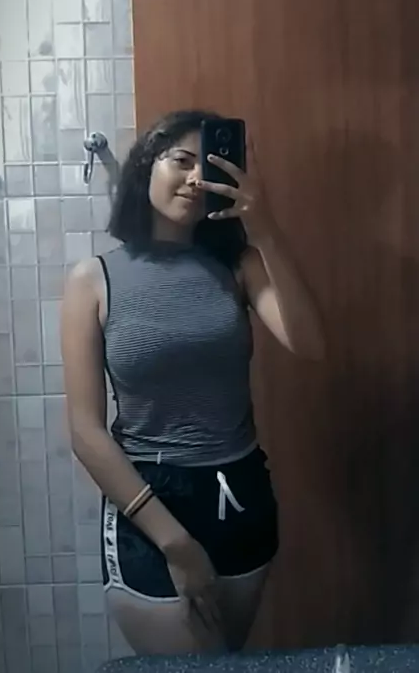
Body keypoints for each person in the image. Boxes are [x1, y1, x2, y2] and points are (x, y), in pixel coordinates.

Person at [61, 109, 324, 656]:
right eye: (181, 161)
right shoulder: (93, 279)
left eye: (209, 165)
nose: (195, 178)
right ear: (145, 166)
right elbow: (85, 431)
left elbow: (309, 342)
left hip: (239, 491)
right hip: (148, 499)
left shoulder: (240, 265)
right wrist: (174, 542)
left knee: (225, 660)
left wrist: (265, 228)